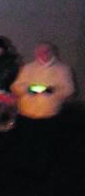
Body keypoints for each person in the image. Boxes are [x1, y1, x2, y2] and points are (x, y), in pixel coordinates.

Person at [10, 42, 75, 173]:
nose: (42, 55)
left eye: (46, 51)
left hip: (48, 114)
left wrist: (51, 90)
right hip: (27, 113)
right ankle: (25, 169)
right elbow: (15, 87)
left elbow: (69, 90)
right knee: (26, 144)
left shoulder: (63, 69)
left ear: (52, 52)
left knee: (45, 145)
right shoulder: (27, 68)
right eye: (39, 52)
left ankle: (41, 171)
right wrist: (29, 89)